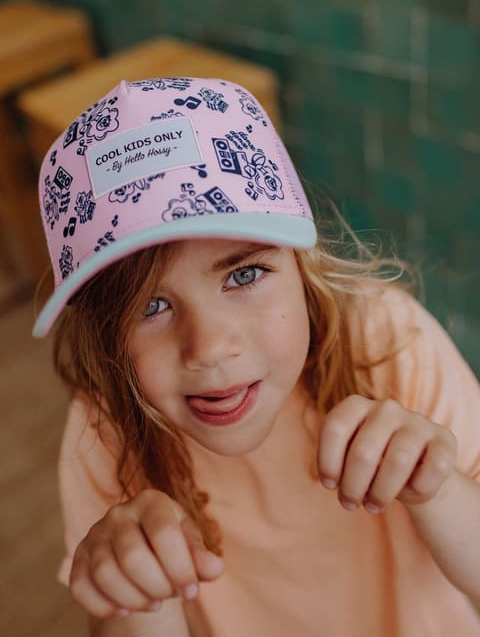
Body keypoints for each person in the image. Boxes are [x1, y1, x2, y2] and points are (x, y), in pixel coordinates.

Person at [33, 77, 480, 637]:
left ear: (302, 262)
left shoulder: (390, 340)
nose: (212, 347)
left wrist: (436, 486)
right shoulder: (103, 428)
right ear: (103, 335)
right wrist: (137, 593)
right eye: (149, 306)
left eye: (244, 274)